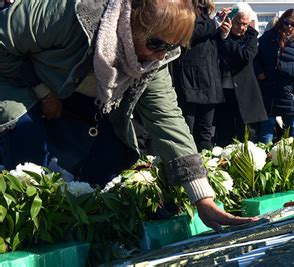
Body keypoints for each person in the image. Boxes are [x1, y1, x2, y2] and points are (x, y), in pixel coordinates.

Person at [0, 0, 253, 230]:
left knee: (109, 157)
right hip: (15, 80)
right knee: (28, 154)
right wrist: (42, 92)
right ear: (133, 21)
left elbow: (166, 119)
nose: (161, 55)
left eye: (171, 47)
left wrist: (202, 197)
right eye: (156, 44)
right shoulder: (69, 13)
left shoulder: (153, 60)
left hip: (73, 96)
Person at [254, 8, 294, 144]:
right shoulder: (268, 38)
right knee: (266, 133)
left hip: (291, 95)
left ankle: (291, 162)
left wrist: (285, 66)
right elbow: (256, 58)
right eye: (287, 23)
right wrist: (259, 72)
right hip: (270, 92)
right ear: (282, 21)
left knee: (292, 136)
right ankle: (266, 163)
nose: (289, 27)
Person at [172, 0, 224, 152]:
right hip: (191, 79)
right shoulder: (184, 10)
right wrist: (214, 24)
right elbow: (189, 32)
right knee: (188, 129)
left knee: (206, 131)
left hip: (209, 79)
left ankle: (206, 167)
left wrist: (223, 32)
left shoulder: (207, 16)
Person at [214, 3, 267, 146]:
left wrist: (226, 40)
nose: (241, 27)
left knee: (247, 138)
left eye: (245, 24)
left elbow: (246, 56)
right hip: (224, 92)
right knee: (225, 135)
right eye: (238, 23)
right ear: (230, 20)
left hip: (246, 93)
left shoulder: (251, 35)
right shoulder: (220, 33)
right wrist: (223, 36)